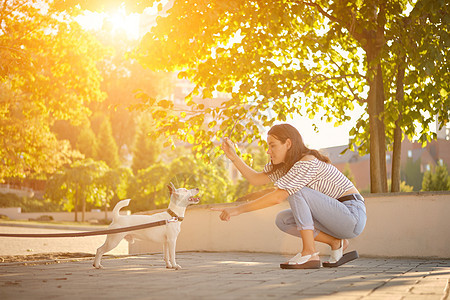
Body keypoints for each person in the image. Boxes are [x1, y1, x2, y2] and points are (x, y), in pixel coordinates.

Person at [212, 123, 367, 269]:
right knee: (283, 220)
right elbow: (256, 179)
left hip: (351, 215)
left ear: (288, 143)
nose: (268, 151)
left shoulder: (307, 162)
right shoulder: (289, 167)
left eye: (272, 145)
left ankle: (309, 252)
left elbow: (278, 197)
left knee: (295, 189)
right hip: (333, 217)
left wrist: (237, 210)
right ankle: (335, 242)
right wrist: (233, 157)